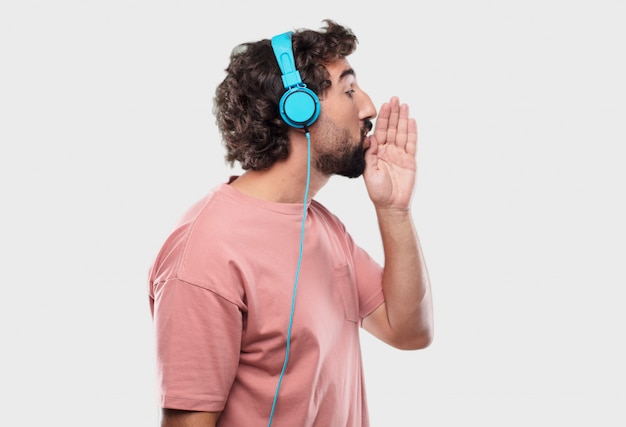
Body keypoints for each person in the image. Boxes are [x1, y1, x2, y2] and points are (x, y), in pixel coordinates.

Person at [148, 19, 434, 427]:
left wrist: (394, 211)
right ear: (299, 108)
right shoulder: (205, 253)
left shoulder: (324, 228)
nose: (367, 108)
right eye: (349, 90)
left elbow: (409, 331)